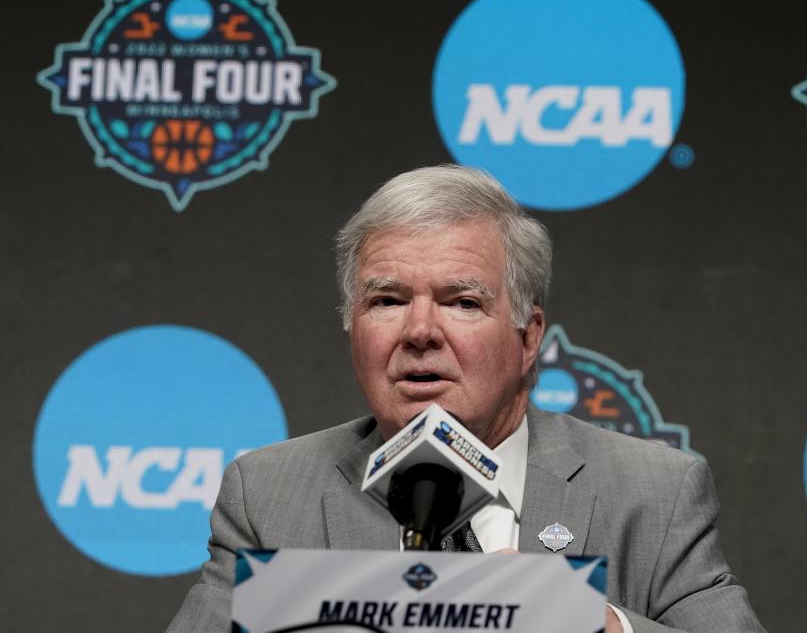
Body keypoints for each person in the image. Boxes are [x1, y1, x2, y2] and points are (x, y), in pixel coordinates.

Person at [167, 165, 766, 633]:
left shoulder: (651, 493)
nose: (420, 331)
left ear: (529, 337)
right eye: (387, 300)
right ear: (353, 327)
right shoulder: (269, 496)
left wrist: (597, 624)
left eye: (462, 302)